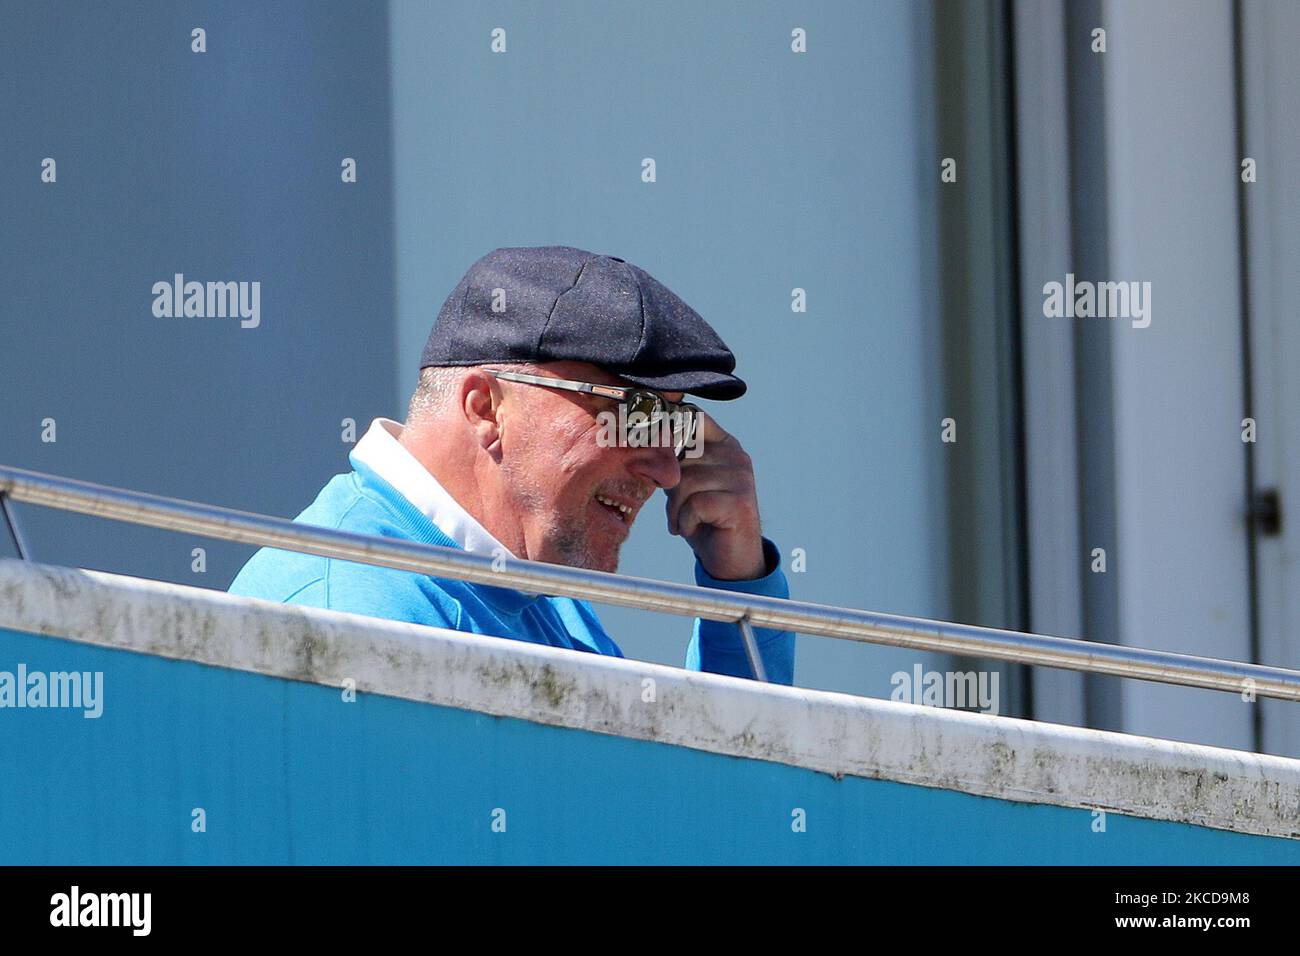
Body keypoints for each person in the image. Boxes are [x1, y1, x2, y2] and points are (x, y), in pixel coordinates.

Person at [228, 245, 795, 683]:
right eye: (636, 413)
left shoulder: (535, 584)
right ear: (486, 408)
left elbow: (720, 813)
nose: (668, 469)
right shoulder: (345, 609)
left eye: (676, 425)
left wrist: (737, 585)